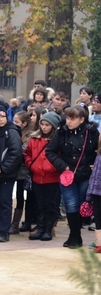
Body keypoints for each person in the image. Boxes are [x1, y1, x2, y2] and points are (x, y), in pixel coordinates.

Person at [46, 105, 100, 248]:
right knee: (71, 204)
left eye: (72, 118)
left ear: (82, 119)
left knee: (82, 204)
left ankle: (76, 234)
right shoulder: (61, 132)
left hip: (86, 174)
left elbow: (99, 149)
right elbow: (50, 151)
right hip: (67, 174)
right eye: (68, 118)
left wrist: (95, 163)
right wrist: (63, 166)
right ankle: (74, 235)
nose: (68, 121)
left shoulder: (92, 132)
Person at [0, 104, 23, 242]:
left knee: (4, 202)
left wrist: (5, 168)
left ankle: (4, 231)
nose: (1, 119)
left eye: (3, 116)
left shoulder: (11, 131)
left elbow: (16, 152)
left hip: (6, 174)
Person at [25, 112, 61, 241]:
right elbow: (27, 154)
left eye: (47, 125)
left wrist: (53, 168)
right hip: (37, 175)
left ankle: (48, 229)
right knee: (39, 204)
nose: (44, 127)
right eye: (42, 124)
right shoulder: (34, 139)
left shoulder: (57, 140)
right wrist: (31, 165)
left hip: (52, 177)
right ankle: (40, 228)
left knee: (50, 204)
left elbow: (61, 156)